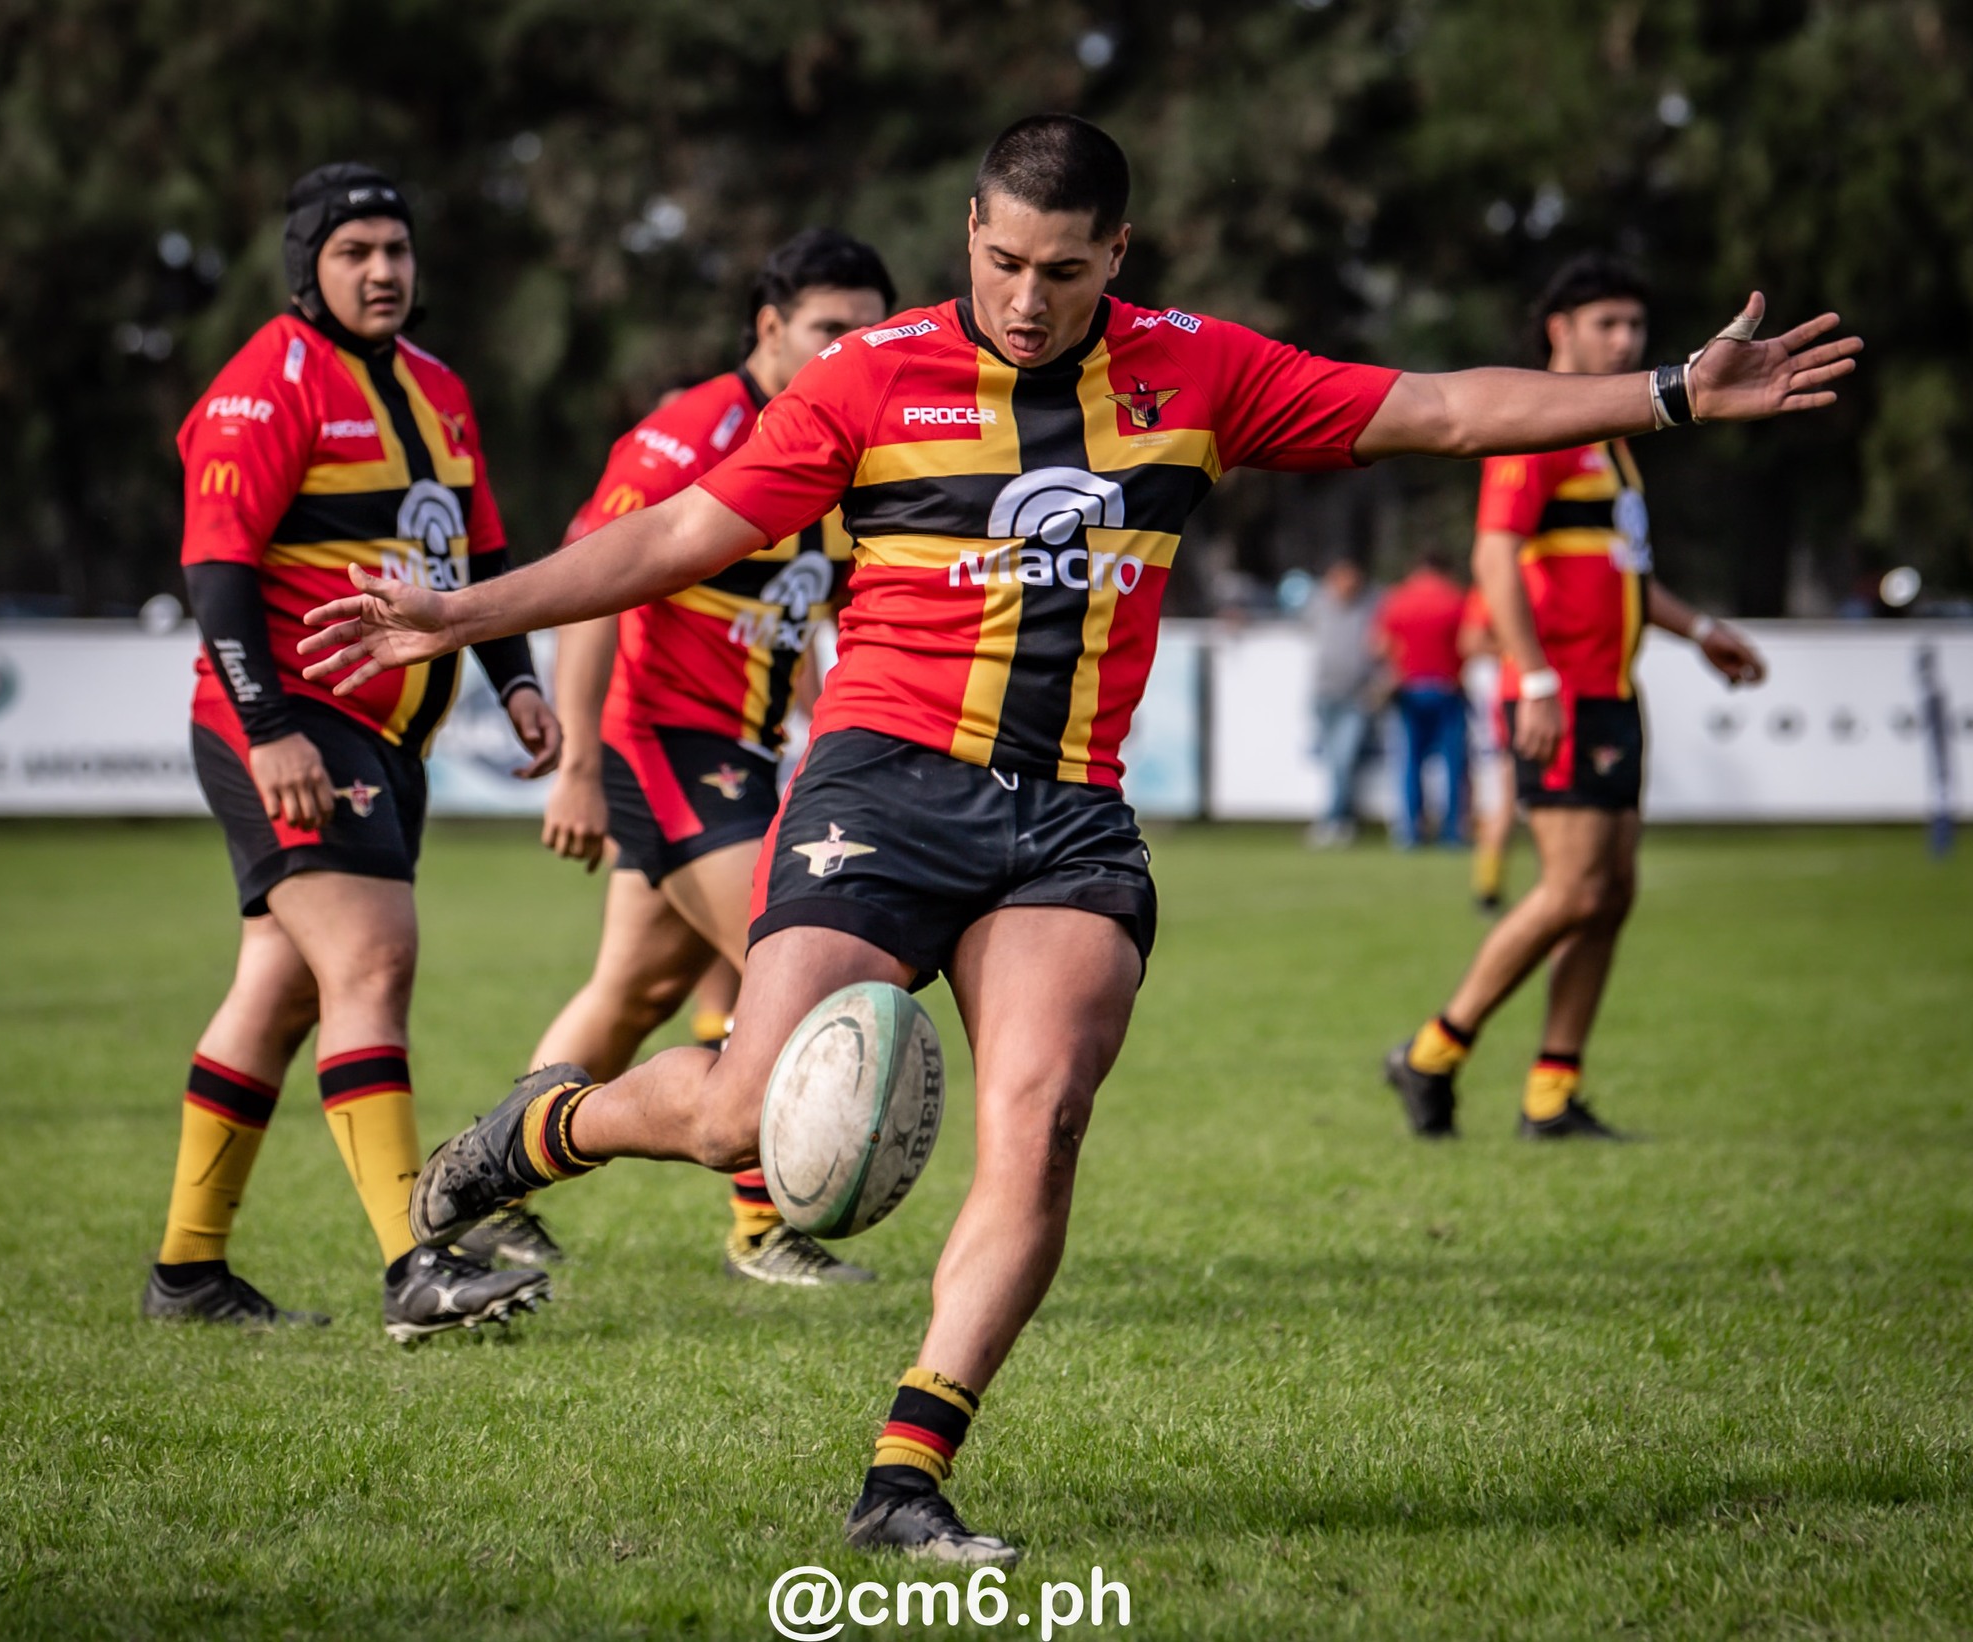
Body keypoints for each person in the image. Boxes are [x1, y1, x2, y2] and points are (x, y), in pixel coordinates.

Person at [297, 121, 1857, 1557]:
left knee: (1036, 1119)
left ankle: (907, 1472)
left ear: (1120, 253)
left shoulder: (1201, 370)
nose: (1026, 300)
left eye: (1061, 270)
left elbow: (1441, 410)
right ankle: (529, 1138)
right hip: (881, 789)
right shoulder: (869, 378)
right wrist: (463, 610)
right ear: (968, 231)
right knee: (737, 1120)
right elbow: (679, 535)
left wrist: (1668, 393)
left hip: (1067, 819)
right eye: (1000, 261)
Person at [146, 164, 562, 1341]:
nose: (383, 271)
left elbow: (475, 562)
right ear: (307, 268)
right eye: (354, 252)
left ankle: (187, 1274)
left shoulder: (438, 388)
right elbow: (217, 574)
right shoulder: (261, 387)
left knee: (277, 990)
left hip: (387, 733)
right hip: (292, 718)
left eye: (397, 248)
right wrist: (269, 728)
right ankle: (413, 1265)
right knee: (372, 962)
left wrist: (518, 681)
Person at [480, 230, 896, 1286]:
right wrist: (573, 762)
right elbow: (590, 577)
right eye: (828, 329)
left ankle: (491, 1188)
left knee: (627, 991)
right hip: (664, 744)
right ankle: (764, 1224)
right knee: (784, 965)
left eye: (869, 328)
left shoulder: (849, 441)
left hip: (745, 755)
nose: (852, 347)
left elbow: (798, 614)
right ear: (768, 327)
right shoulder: (694, 428)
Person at [1385, 254, 1776, 1141]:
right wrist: (1535, 678)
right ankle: (1432, 1052)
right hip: (1561, 695)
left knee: (1612, 894)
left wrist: (1701, 629)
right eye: (1608, 324)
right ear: (1559, 331)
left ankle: (1552, 1092)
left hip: (1611, 691)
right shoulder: (1538, 429)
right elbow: (1494, 557)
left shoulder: (1613, 440)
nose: (1628, 340)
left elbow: (1625, 574)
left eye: (1636, 326)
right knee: (1573, 889)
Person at [1373, 547, 1469, 847]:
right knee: (1453, 765)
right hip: (1448, 688)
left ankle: (1410, 832)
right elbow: (1469, 641)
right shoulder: (1455, 597)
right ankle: (1452, 832)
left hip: (1409, 689)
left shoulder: (1397, 599)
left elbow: (1378, 646)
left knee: (1410, 763)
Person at [1306, 556, 1384, 848]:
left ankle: (1335, 819)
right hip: (1325, 693)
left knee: (1343, 758)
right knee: (1334, 762)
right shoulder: (1318, 603)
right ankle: (1340, 818)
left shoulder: (1373, 604)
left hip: (1356, 695)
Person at [1457, 581, 1518, 911]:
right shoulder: (1497, 584)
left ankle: (1490, 888)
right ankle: (1488, 890)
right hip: (1508, 701)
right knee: (1505, 794)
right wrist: (1523, 647)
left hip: (1512, 698)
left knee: (1506, 797)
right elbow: (1471, 640)